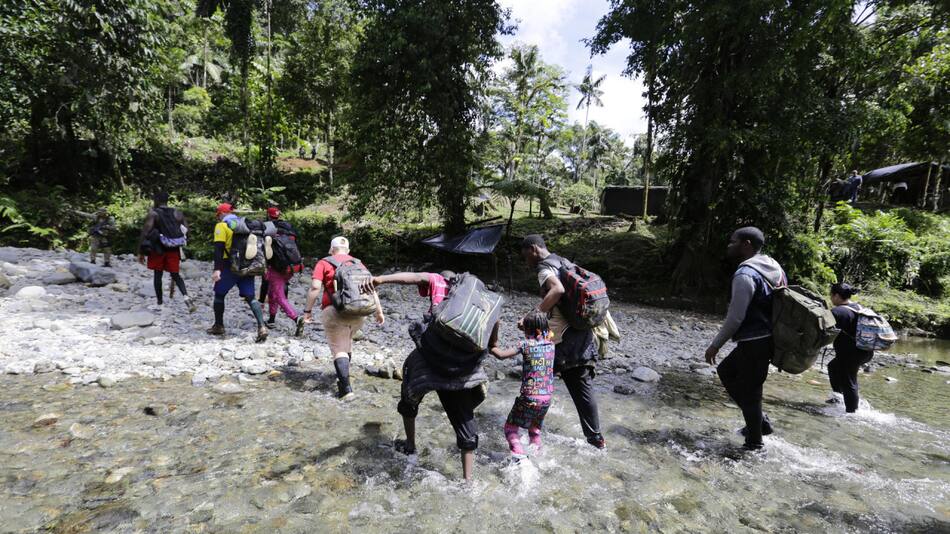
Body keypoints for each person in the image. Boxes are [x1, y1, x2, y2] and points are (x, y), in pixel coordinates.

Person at [370, 270, 491, 480]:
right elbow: (491, 336)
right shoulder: (482, 301)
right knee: (464, 421)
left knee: (409, 393)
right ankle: (468, 480)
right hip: (462, 364)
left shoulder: (438, 280)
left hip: (429, 357)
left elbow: (415, 277)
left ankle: (410, 445)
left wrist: (381, 279)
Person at [704, 226, 786, 451]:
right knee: (728, 372)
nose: (729, 245)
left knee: (750, 392)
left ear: (746, 244)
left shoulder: (745, 274)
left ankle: (755, 442)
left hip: (754, 341)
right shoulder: (774, 267)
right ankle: (759, 424)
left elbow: (736, 316)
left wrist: (715, 345)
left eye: (733, 241)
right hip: (772, 339)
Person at [521, 234, 606, 449]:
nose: (526, 261)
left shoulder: (544, 268)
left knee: (536, 384)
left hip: (562, 341)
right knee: (582, 390)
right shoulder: (563, 262)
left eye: (525, 256)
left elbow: (557, 290)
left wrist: (532, 315)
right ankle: (596, 440)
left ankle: (528, 435)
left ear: (533, 249)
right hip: (582, 334)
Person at [303, 236, 383, 398]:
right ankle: (343, 376)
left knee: (339, 349)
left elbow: (315, 287)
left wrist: (307, 311)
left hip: (335, 311)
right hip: (359, 312)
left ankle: (346, 390)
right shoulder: (358, 263)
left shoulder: (324, 262)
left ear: (331, 249)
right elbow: (371, 288)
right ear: (348, 250)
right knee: (347, 343)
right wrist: (378, 311)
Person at [491, 311, 555, 458]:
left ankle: (519, 457)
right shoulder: (551, 344)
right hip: (546, 399)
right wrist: (528, 326)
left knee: (510, 428)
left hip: (529, 398)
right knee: (534, 430)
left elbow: (500, 355)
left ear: (527, 329)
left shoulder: (524, 345)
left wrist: (492, 344)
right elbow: (540, 333)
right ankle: (538, 455)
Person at [207, 203, 268, 343]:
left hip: (229, 266)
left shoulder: (222, 226)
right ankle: (262, 327)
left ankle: (219, 326)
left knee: (219, 294)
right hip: (248, 265)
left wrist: (217, 269)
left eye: (218, 214)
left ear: (221, 214)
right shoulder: (244, 225)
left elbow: (219, 249)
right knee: (251, 297)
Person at [138, 192, 196, 313]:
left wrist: (141, 252)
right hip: (173, 249)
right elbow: (187, 232)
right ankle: (187, 298)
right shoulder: (177, 213)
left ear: (157, 200)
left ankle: (160, 304)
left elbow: (145, 232)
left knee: (157, 275)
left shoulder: (153, 214)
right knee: (175, 275)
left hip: (158, 249)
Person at [827, 283, 873, 413]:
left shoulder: (837, 311)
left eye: (831, 295)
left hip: (850, 353)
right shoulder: (858, 307)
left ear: (836, 295)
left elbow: (824, 330)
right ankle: (838, 399)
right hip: (866, 351)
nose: (831, 298)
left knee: (849, 381)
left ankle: (852, 413)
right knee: (833, 367)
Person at [260, 207, 304, 335]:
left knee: (279, 296)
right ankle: (272, 319)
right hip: (292, 266)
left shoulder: (268, 227)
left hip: (277, 267)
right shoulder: (288, 227)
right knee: (272, 292)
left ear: (268, 215)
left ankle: (296, 318)